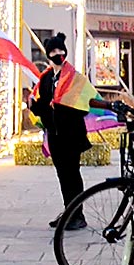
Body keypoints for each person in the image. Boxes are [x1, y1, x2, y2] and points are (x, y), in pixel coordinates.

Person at [29, 32, 95, 231]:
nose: (58, 54)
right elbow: (43, 105)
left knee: (73, 175)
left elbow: (84, 104)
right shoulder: (46, 78)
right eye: (54, 51)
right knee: (63, 176)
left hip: (71, 134)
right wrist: (33, 106)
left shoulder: (74, 77)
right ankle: (69, 212)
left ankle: (78, 215)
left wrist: (62, 107)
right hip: (55, 134)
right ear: (48, 54)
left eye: (61, 50)